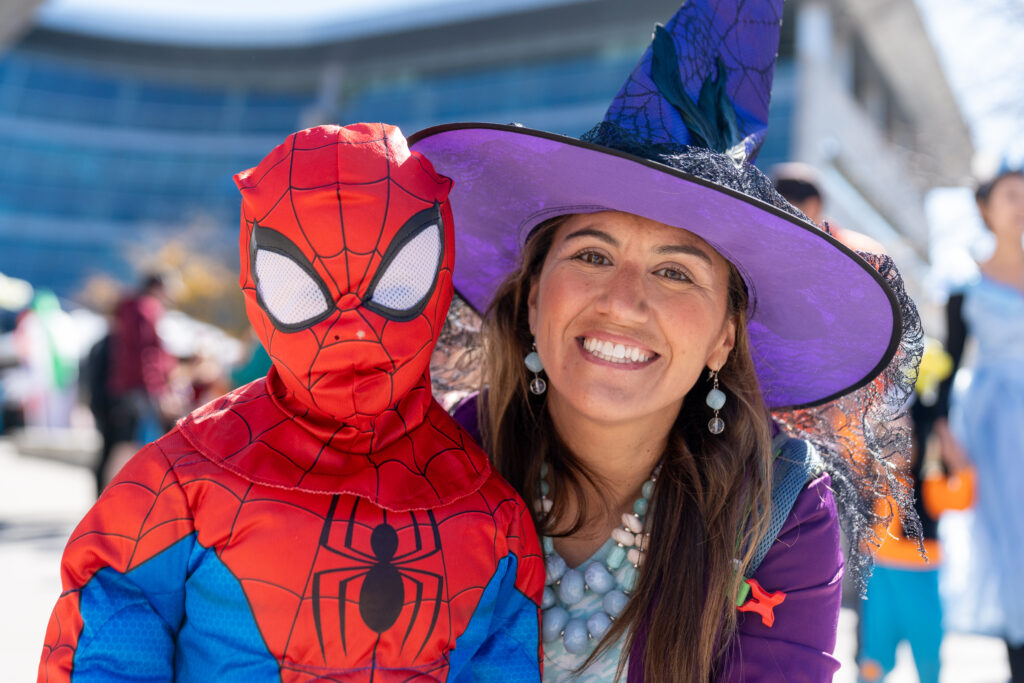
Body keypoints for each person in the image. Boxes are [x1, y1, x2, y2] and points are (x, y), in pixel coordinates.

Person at [412, 0, 920, 680]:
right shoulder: (431, 461)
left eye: (675, 271)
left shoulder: (779, 504)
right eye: (592, 255)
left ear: (722, 337)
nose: (623, 302)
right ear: (533, 297)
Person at [39, 123, 544, 680]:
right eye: (303, 289)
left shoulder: (490, 514)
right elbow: (107, 645)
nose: (353, 325)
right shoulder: (183, 481)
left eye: (398, 283)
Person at [924, 159, 1024, 681]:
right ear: (985, 208)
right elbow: (948, 363)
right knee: (1010, 542)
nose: (1021, 204)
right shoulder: (967, 281)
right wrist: (943, 436)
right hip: (993, 425)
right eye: (1010, 195)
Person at [857, 339, 975, 683]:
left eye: (906, 437)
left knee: (928, 653)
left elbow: (964, 493)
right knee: (874, 655)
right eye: (890, 437)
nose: (898, 444)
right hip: (880, 576)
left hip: (919, 576)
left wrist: (940, 427)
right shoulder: (870, 483)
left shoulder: (928, 489)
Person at [98, 272, 181, 492]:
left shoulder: (131, 307)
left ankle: (116, 496)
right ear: (158, 286)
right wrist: (159, 390)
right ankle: (121, 496)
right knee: (135, 443)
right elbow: (147, 354)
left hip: (128, 386)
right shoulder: (145, 308)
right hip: (139, 388)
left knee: (129, 442)